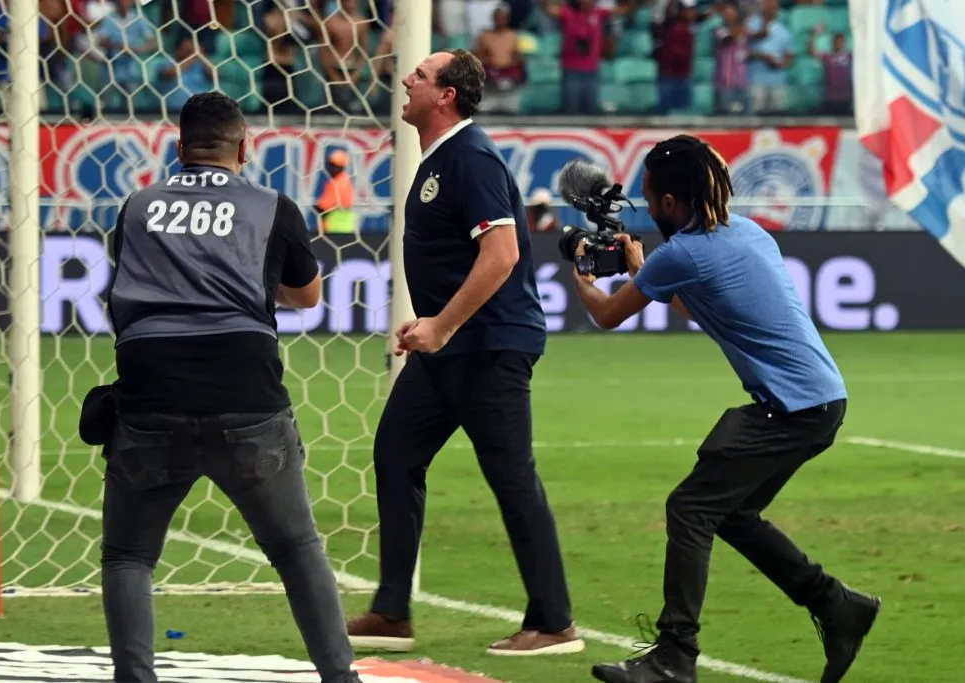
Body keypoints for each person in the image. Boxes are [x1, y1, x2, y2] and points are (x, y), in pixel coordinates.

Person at [573, 135, 881, 683]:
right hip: (820, 400)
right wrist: (644, 269)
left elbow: (607, 315)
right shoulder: (748, 231)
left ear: (671, 202)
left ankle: (675, 657)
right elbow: (706, 303)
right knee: (730, 514)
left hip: (791, 407)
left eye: (651, 198)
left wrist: (583, 277)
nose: (648, 206)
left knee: (690, 508)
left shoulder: (681, 254)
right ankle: (837, 606)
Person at [98, 92, 360, 683]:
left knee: (129, 555)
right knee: (296, 548)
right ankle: (341, 679)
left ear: (179, 146)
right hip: (246, 390)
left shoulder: (137, 206)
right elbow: (306, 295)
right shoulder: (271, 206)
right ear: (245, 148)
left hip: (151, 392)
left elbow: (126, 281)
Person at [344, 49, 584, 657]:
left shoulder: (470, 157)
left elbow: (501, 255)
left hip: (488, 345)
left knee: (510, 475)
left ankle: (554, 622)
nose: (407, 79)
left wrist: (443, 326)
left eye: (420, 76)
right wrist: (431, 326)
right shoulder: (441, 158)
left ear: (446, 95)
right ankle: (391, 612)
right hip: (451, 347)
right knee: (396, 454)